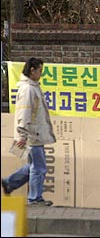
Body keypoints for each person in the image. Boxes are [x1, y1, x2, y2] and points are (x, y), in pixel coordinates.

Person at [2, 57, 56, 206]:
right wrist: (22, 134)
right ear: (32, 70)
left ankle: (9, 182)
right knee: (39, 167)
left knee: (34, 165)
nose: (41, 74)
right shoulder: (28, 89)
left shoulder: (32, 87)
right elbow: (23, 114)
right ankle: (34, 198)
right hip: (33, 134)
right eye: (40, 70)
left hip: (33, 133)